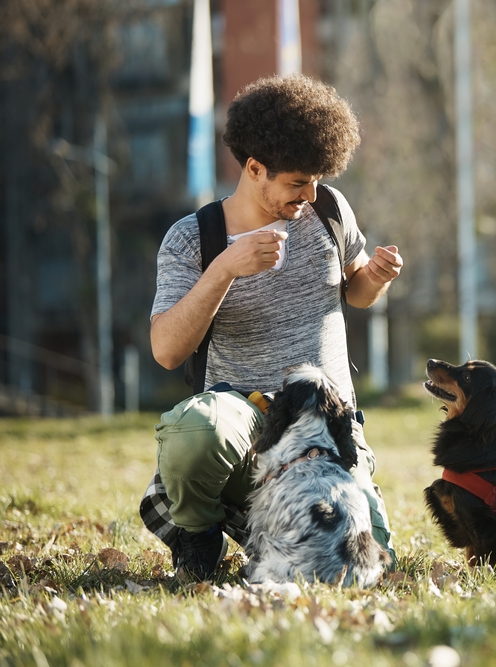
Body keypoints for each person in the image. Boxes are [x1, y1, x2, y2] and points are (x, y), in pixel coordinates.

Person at [139, 74, 401, 583]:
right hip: (247, 427)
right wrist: (225, 269)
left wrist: (375, 277)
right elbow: (167, 351)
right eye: (297, 182)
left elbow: (357, 292)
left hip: (328, 429)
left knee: (367, 564)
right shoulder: (194, 239)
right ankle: (198, 535)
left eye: (317, 180)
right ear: (255, 168)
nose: (310, 193)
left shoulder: (328, 209)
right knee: (196, 430)